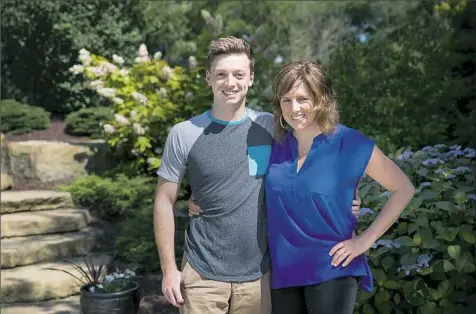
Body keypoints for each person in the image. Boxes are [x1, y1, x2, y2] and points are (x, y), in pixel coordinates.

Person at [154, 36, 361, 314]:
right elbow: (164, 202)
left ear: (250, 77)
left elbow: (320, 148)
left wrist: (347, 196)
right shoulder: (184, 133)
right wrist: (168, 269)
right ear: (208, 78)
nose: (230, 83)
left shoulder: (271, 126)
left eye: (239, 74)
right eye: (221, 75)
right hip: (202, 273)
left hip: (259, 278)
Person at [265, 61, 415, 314]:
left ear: (321, 99)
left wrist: (366, 240)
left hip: (332, 268)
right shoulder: (274, 145)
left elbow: (404, 188)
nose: (294, 108)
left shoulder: (350, 143)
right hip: (282, 272)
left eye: (303, 99)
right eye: (286, 100)